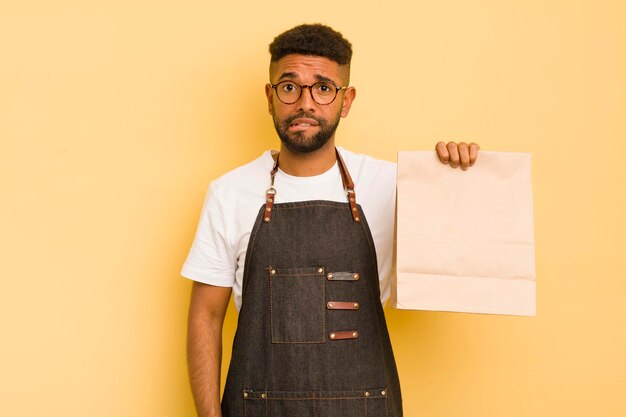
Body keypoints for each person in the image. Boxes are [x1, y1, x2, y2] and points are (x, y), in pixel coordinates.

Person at [183, 24, 479, 417]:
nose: (305, 103)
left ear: (347, 99)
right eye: (290, 87)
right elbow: (206, 315)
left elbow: (461, 253)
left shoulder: (393, 185)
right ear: (270, 98)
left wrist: (456, 173)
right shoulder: (229, 192)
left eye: (323, 88)